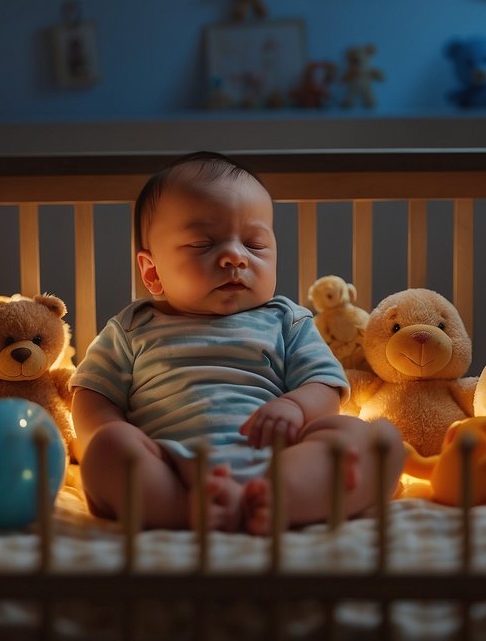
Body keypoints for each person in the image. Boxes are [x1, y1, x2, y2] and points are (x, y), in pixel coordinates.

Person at [70, 151, 404, 534]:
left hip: (281, 460)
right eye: (202, 244)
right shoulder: (131, 328)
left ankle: (280, 497)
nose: (234, 256)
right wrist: (107, 439)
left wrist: (296, 407)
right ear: (152, 271)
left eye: (254, 244)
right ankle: (190, 508)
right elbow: (94, 399)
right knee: (108, 448)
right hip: (171, 467)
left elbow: (325, 387)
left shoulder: (286, 320)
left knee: (375, 440)